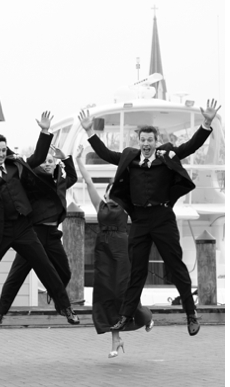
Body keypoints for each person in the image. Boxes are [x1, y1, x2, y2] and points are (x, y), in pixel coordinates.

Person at [79, 98, 221, 336]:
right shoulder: (130, 157)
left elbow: (190, 146)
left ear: (156, 142)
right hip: (140, 220)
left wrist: (206, 124)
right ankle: (125, 317)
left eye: (150, 140)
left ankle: (191, 314)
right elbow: (104, 153)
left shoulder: (167, 156)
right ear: (139, 142)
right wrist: (89, 131)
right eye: (143, 140)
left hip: (163, 217)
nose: (146, 144)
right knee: (137, 271)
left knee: (176, 267)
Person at [0, 112, 81, 333]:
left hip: (22, 228)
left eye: (4, 150)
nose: (1, 154)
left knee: (46, 267)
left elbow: (38, 158)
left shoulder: (17, 167)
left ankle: (66, 307)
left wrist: (44, 132)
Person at [75, 150, 153, 357]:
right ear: (108, 192)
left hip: (121, 248)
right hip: (103, 250)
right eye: (112, 191)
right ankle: (115, 341)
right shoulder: (100, 204)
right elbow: (89, 182)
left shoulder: (128, 207)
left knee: (122, 291)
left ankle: (144, 316)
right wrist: (78, 161)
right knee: (105, 294)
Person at [0, 146, 78, 329]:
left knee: (64, 273)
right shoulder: (31, 181)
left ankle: (58, 301)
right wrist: (2, 148)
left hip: (52, 235)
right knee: (16, 276)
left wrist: (66, 158)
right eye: (44, 161)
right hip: (32, 236)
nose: (47, 164)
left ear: (55, 164)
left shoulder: (60, 182)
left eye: (50, 161)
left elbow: (73, 177)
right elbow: (19, 162)